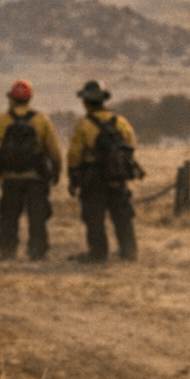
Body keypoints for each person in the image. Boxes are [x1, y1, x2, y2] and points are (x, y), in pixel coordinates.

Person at [0, 79, 63, 261]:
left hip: (9, 177)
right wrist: (57, 171)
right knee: (37, 218)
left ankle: (7, 251)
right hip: (35, 177)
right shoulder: (42, 120)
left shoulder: (1, 119)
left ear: (11, 98)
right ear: (30, 98)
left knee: (8, 217)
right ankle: (37, 252)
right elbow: (54, 150)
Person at [67, 80, 140, 262]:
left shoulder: (83, 125)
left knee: (94, 217)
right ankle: (128, 252)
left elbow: (75, 154)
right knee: (122, 215)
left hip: (93, 177)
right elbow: (131, 145)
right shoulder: (121, 122)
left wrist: (74, 178)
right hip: (117, 176)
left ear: (86, 102)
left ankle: (98, 253)